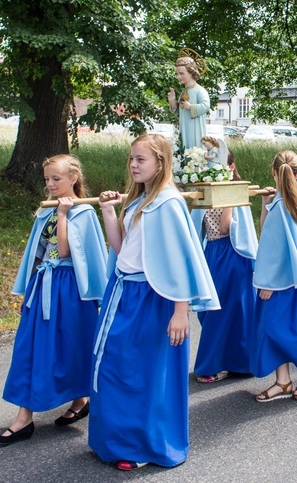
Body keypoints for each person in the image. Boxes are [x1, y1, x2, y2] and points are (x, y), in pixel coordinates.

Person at [89, 134, 219, 471]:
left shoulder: (168, 203)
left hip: (152, 298)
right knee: (114, 366)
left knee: (140, 373)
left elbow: (178, 259)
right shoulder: (141, 200)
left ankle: (140, 445)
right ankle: (113, 440)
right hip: (124, 293)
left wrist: (180, 311)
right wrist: (107, 211)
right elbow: (122, 248)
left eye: (141, 160)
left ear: (160, 162)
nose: (133, 165)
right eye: (131, 158)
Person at [0, 156, 108, 445]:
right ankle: (24, 417)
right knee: (30, 348)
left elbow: (66, 253)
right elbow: (39, 254)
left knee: (71, 348)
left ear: (73, 179)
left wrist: (65, 215)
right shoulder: (46, 212)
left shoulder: (83, 213)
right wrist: (29, 290)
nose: (50, 184)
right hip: (44, 285)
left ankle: (81, 400)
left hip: (71, 291)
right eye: (46, 179)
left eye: (56, 178)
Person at [251, 150, 297, 402]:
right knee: (281, 329)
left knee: (282, 329)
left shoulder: (286, 205)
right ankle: (283, 381)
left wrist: (269, 283)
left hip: (280, 282)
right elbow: (271, 235)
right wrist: (265, 204)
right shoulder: (286, 203)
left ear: (274, 172)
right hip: (292, 278)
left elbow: (274, 249)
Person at [192, 149, 258, 382]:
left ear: (230, 168)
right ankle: (224, 361)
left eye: (218, 166)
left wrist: (227, 194)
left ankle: (229, 363)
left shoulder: (235, 192)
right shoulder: (206, 192)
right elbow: (199, 226)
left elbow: (225, 227)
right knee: (215, 309)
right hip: (213, 252)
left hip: (233, 252)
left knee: (232, 310)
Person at [168, 53, 210, 149]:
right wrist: (173, 102)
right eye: (177, 74)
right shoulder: (184, 92)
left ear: (191, 72)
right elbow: (180, 110)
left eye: (182, 73)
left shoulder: (200, 90)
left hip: (195, 129)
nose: (179, 77)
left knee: (194, 150)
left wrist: (191, 107)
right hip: (184, 128)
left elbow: (206, 106)